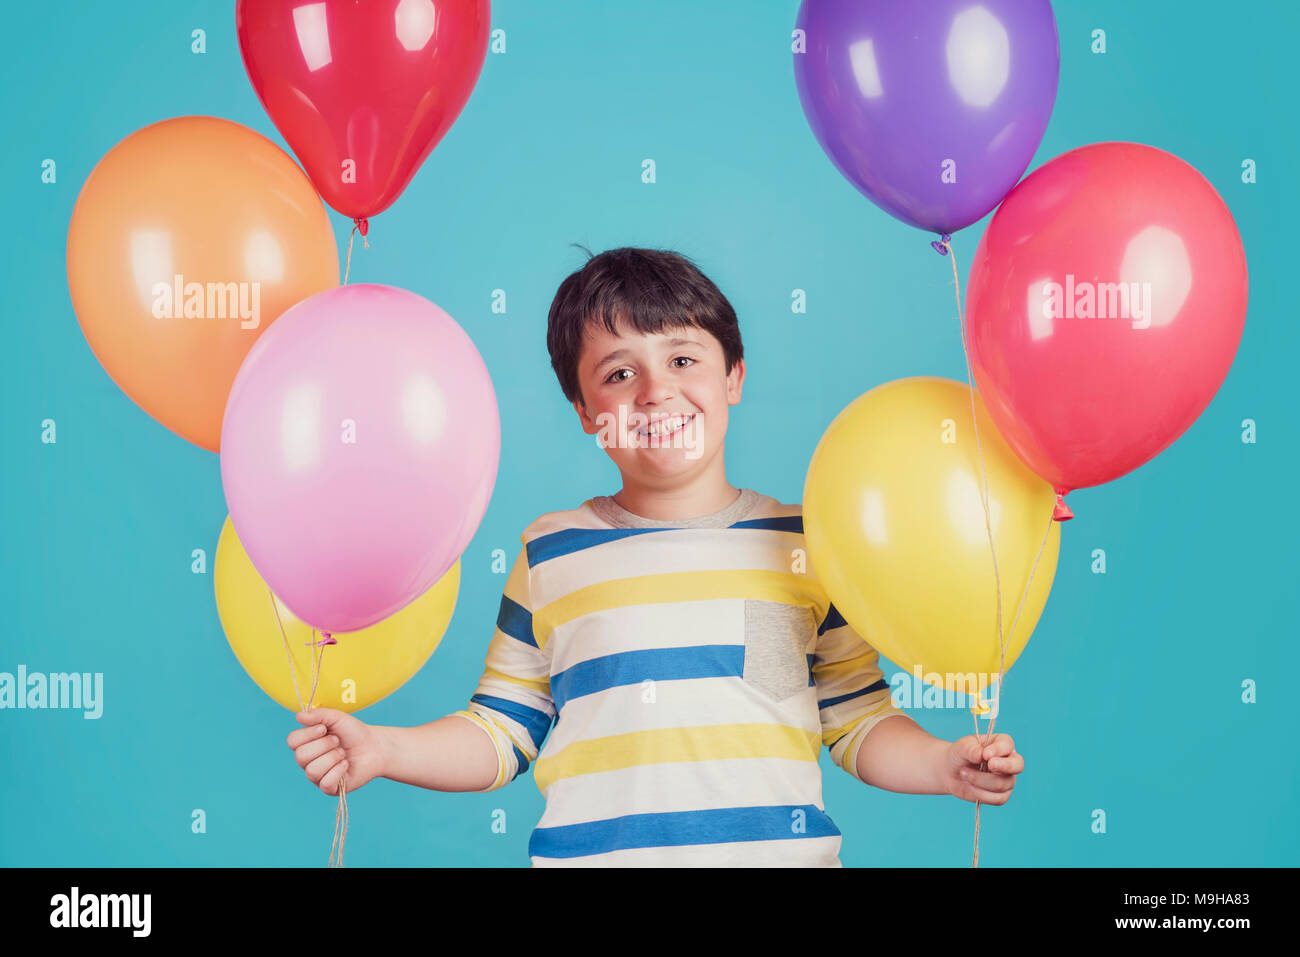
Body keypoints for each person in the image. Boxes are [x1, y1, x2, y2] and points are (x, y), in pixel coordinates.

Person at [286, 246, 1023, 866]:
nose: (655, 391)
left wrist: (941, 763)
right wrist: (383, 747)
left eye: (681, 357)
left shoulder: (806, 544)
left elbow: (856, 717)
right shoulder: (551, 552)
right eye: (618, 373)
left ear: (733, 376)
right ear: (583, 412)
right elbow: (501, 730)